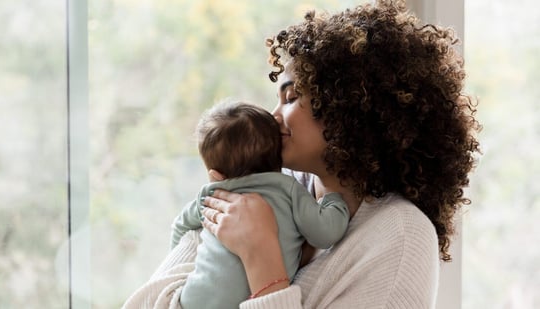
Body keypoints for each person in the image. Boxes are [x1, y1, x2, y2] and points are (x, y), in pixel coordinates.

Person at [123, 1, 481, 308]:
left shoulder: (400, 236)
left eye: (291, 97)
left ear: (350, 108)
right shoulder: (268, 182)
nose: (273, 117)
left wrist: (262, 259)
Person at [171, 100, 349, 309]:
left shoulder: (211, 194)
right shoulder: (287, 189)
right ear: (278, 158)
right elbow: (326, 234)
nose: (276, 113)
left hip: (192, 299)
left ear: (215, 176)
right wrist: (334, 198)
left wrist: (184, 268)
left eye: (290, 97)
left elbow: (180, 227)